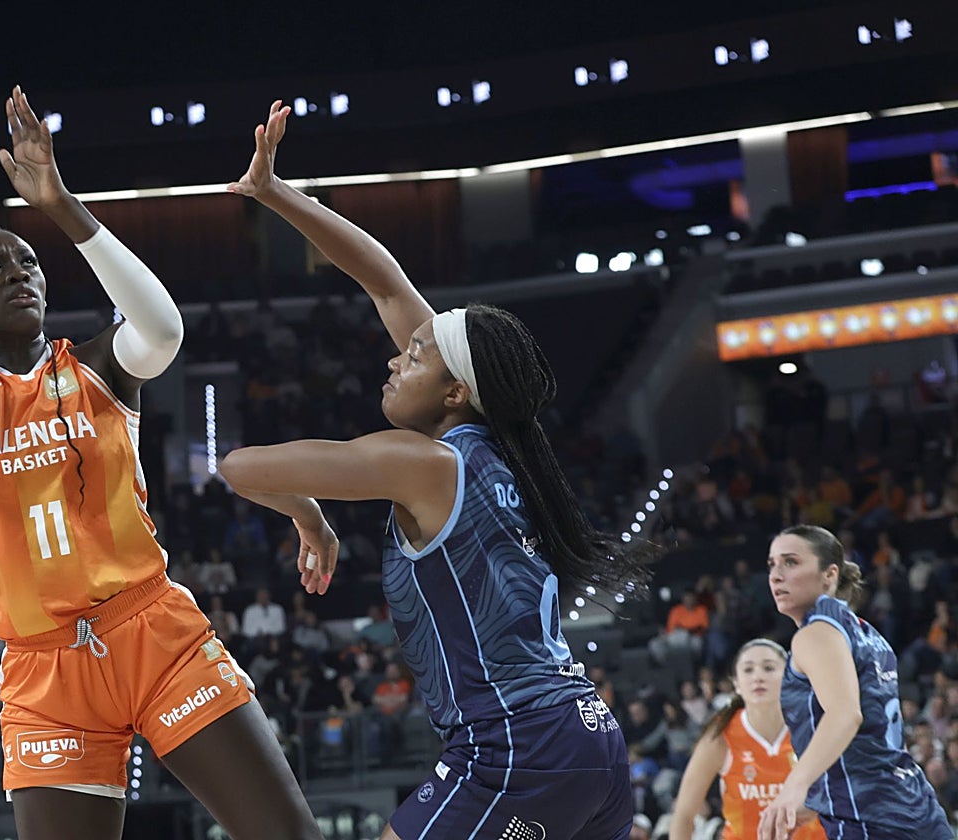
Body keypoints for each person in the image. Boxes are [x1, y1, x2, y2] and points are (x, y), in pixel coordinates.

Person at [0, 78, 319, 840]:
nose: (18, 271)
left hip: (154, 632)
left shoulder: (97, 366)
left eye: (28, 261)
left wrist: (61, 205)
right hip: (44, 670)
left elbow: (162, 329)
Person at [220, 100, 654, 840]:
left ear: (454, 390)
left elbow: (237, 465)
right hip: (587, 736)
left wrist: (309, 514)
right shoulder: (500, 443)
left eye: (415, 357)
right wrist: (274, 192)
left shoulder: (420, 462)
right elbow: (386, 284)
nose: (396, 357)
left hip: (516, 748)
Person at [759, 525, 950, 840]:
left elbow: (845, 715)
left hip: (870, 821)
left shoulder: (815, 634)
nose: (776, 575)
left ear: (829, 574)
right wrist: (815, 802)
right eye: (772, 564)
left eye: (791, 562)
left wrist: (794, 787)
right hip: (915, 808)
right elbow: (867, 747)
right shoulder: (866, 632)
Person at [669, 639, 825, 840]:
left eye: (768, 668)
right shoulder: (720, 735)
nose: (758, 677)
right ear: (736, 684)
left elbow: (847, 793)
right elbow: (684, 814)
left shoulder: (815, 726)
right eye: (748, 670)